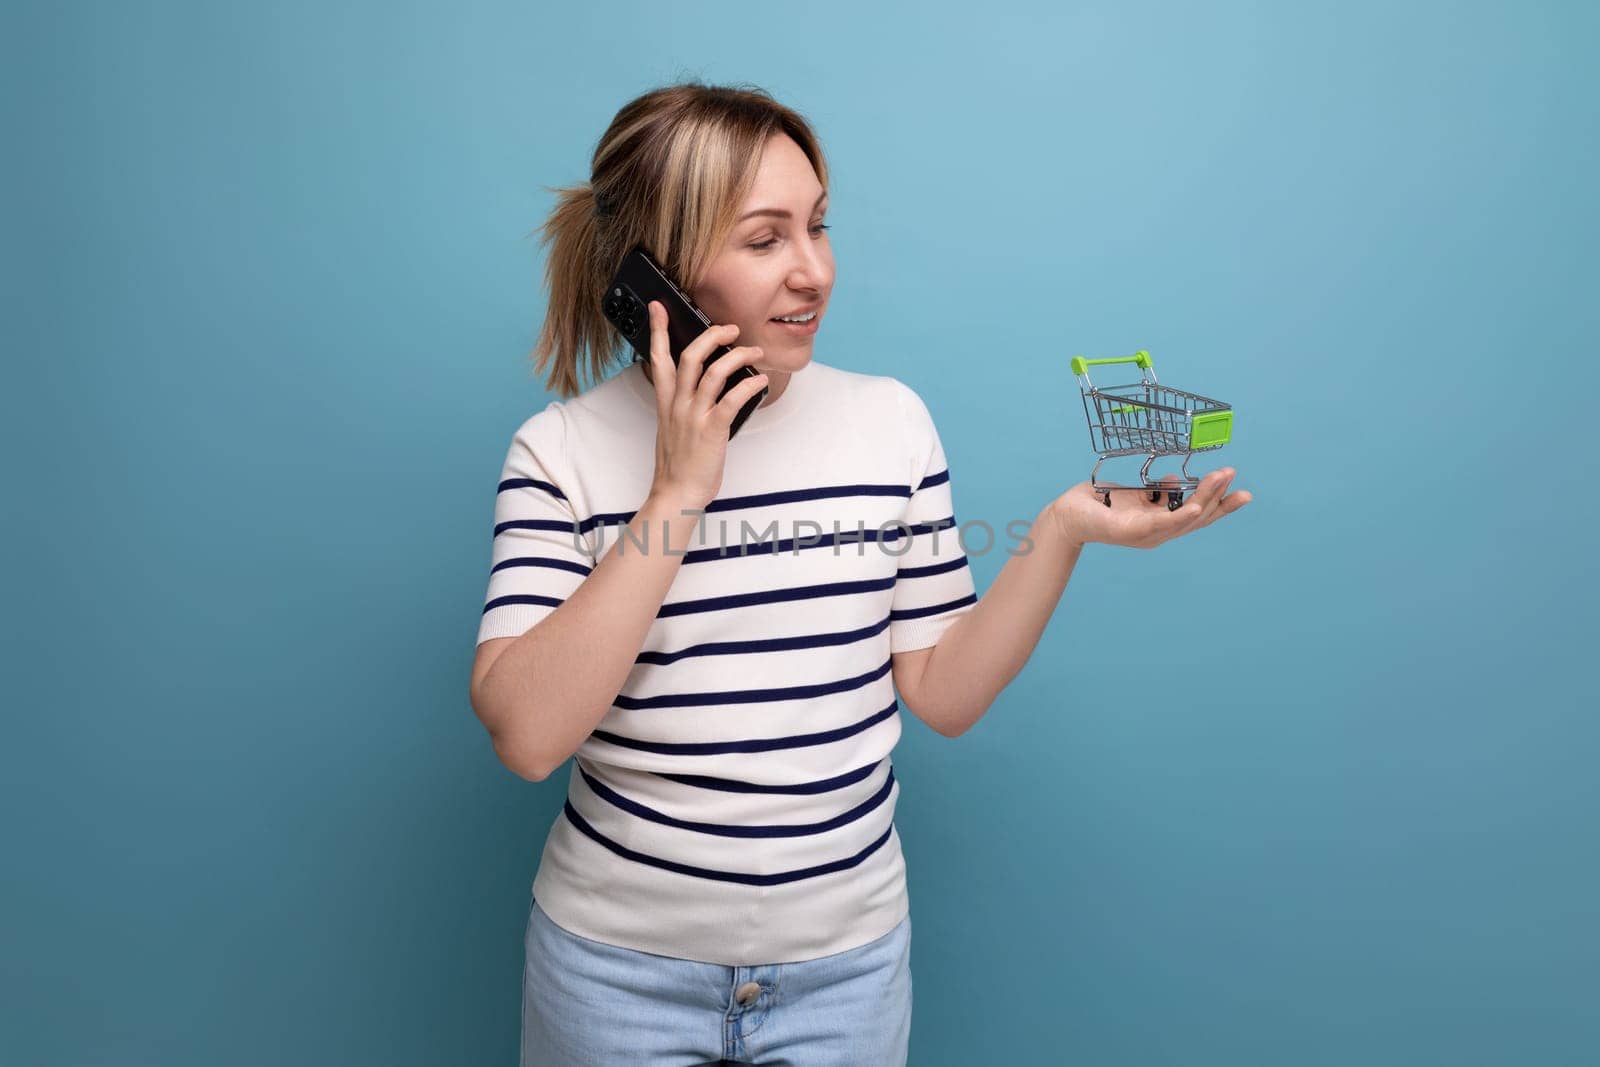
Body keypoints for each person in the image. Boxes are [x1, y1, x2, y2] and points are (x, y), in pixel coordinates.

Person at [468, 80, 1251, 1067]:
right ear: (652, 271)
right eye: (764, 240)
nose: (813, 272)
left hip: (844, 974)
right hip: (614, 976)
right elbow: (527, 735)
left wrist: (1060, 531)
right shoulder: (560, 453)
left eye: (819, 227)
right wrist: (677, 489)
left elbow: (943, 691)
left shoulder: (889, 423)